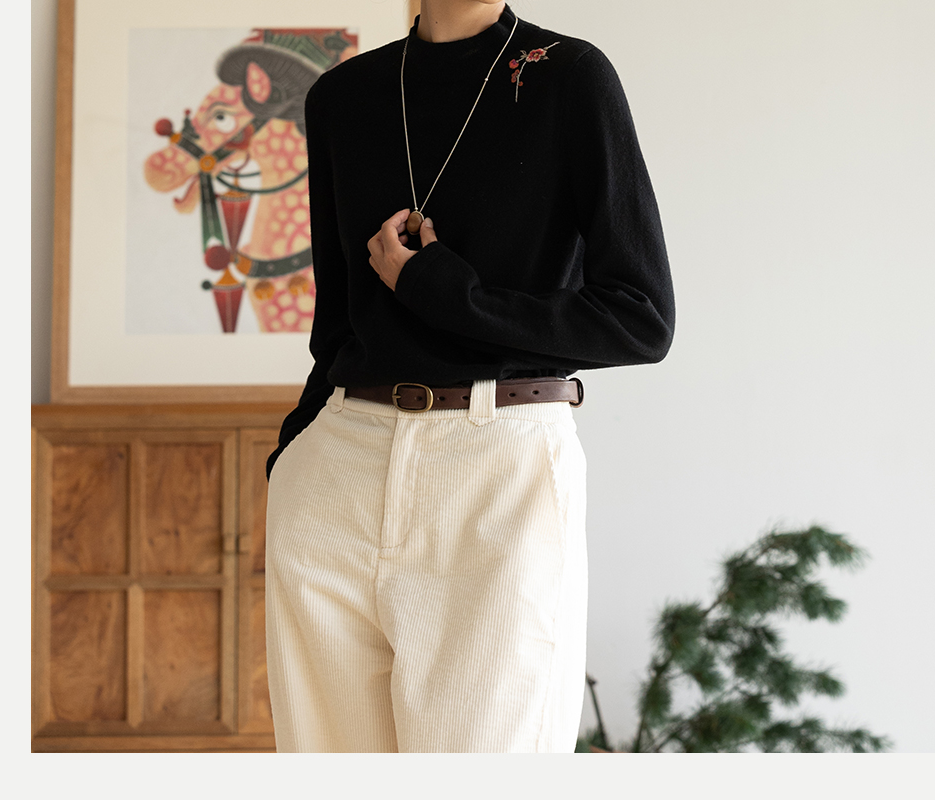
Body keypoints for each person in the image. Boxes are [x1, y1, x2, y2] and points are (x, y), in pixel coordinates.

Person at [263, 0, 674, 753]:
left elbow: (639, 319)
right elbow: (337, 325)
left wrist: (446, 293)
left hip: (497, 470)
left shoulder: (569, 78)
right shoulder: (342, 97)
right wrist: (293, 454)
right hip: (336, 472)